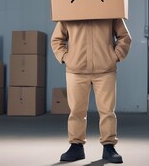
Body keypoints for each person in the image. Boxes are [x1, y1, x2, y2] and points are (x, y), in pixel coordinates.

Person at [51, 18, 131, 164]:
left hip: (105, 70)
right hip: (76, 70)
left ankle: (109, 147)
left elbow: (125, 36)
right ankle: (76, 146)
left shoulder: (109, 11)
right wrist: (66, 58)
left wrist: (115, 56)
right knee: (76, 110)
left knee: (107, 111)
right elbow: (57, 39)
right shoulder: (69, 11)